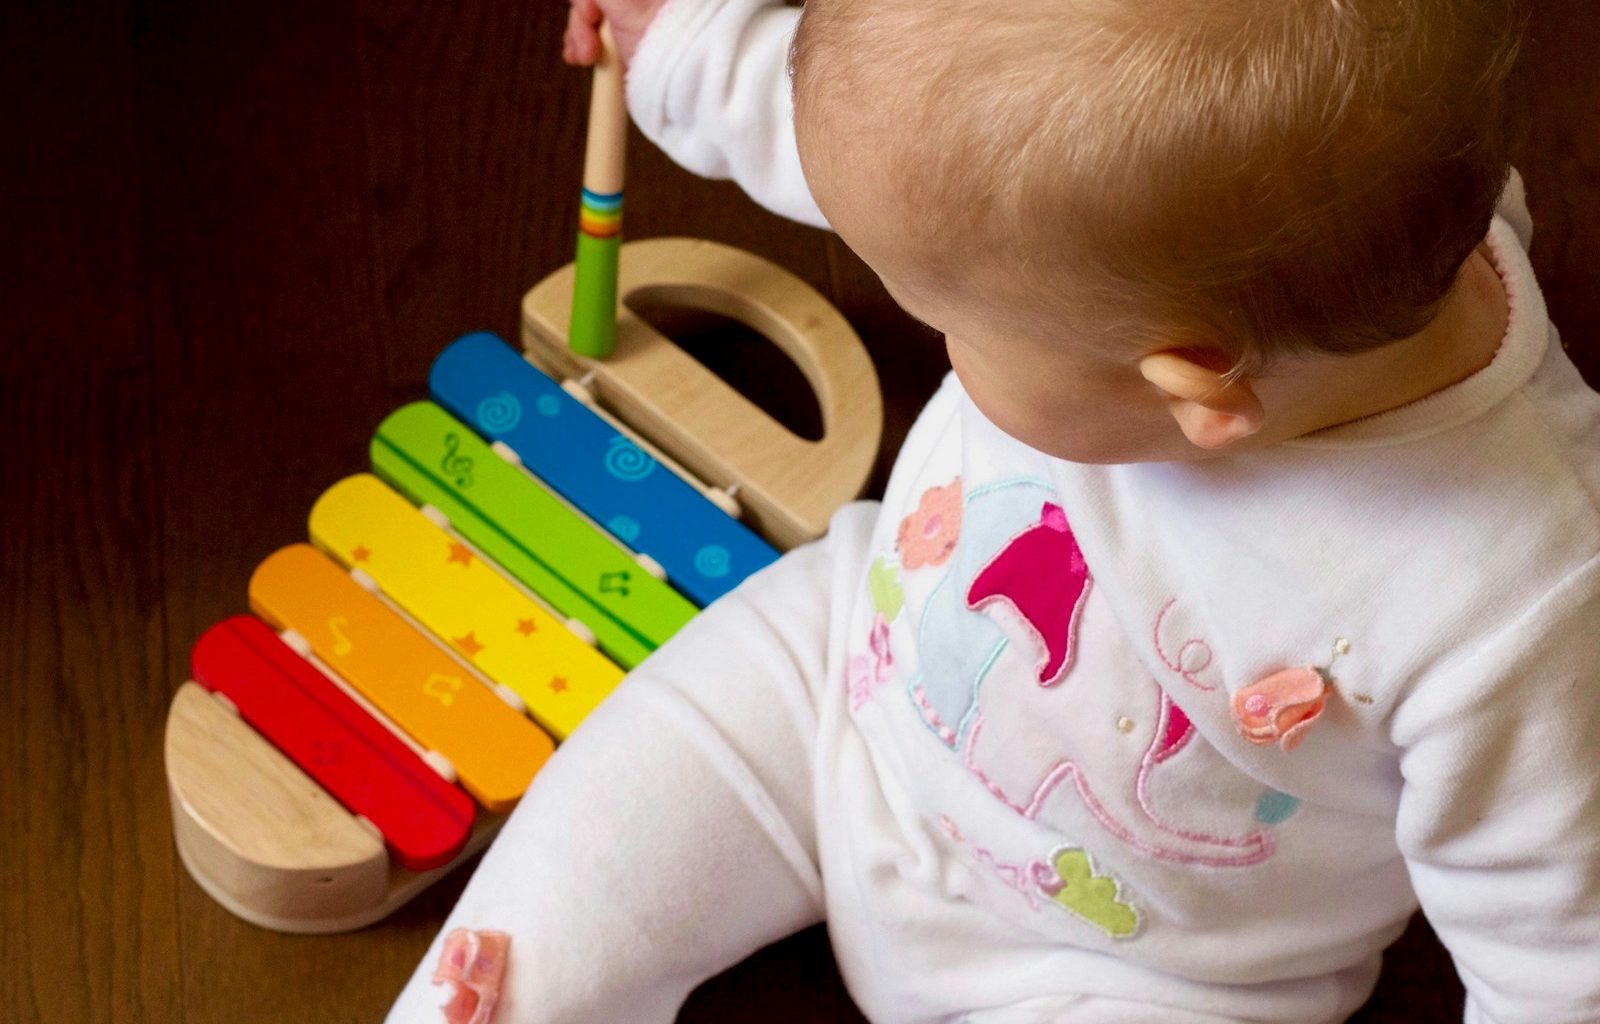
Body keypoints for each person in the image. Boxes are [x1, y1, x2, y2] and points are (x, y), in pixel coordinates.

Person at [391, 0, 1600, 1020]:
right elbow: (908, 142)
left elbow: (1557, 958)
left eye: (956, 326)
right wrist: (687, 45)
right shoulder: (1326, 214)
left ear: (1190, 387)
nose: (941, 333)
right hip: (841, 693)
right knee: (544, 912)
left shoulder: (1519, 606)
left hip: (1136, 973)